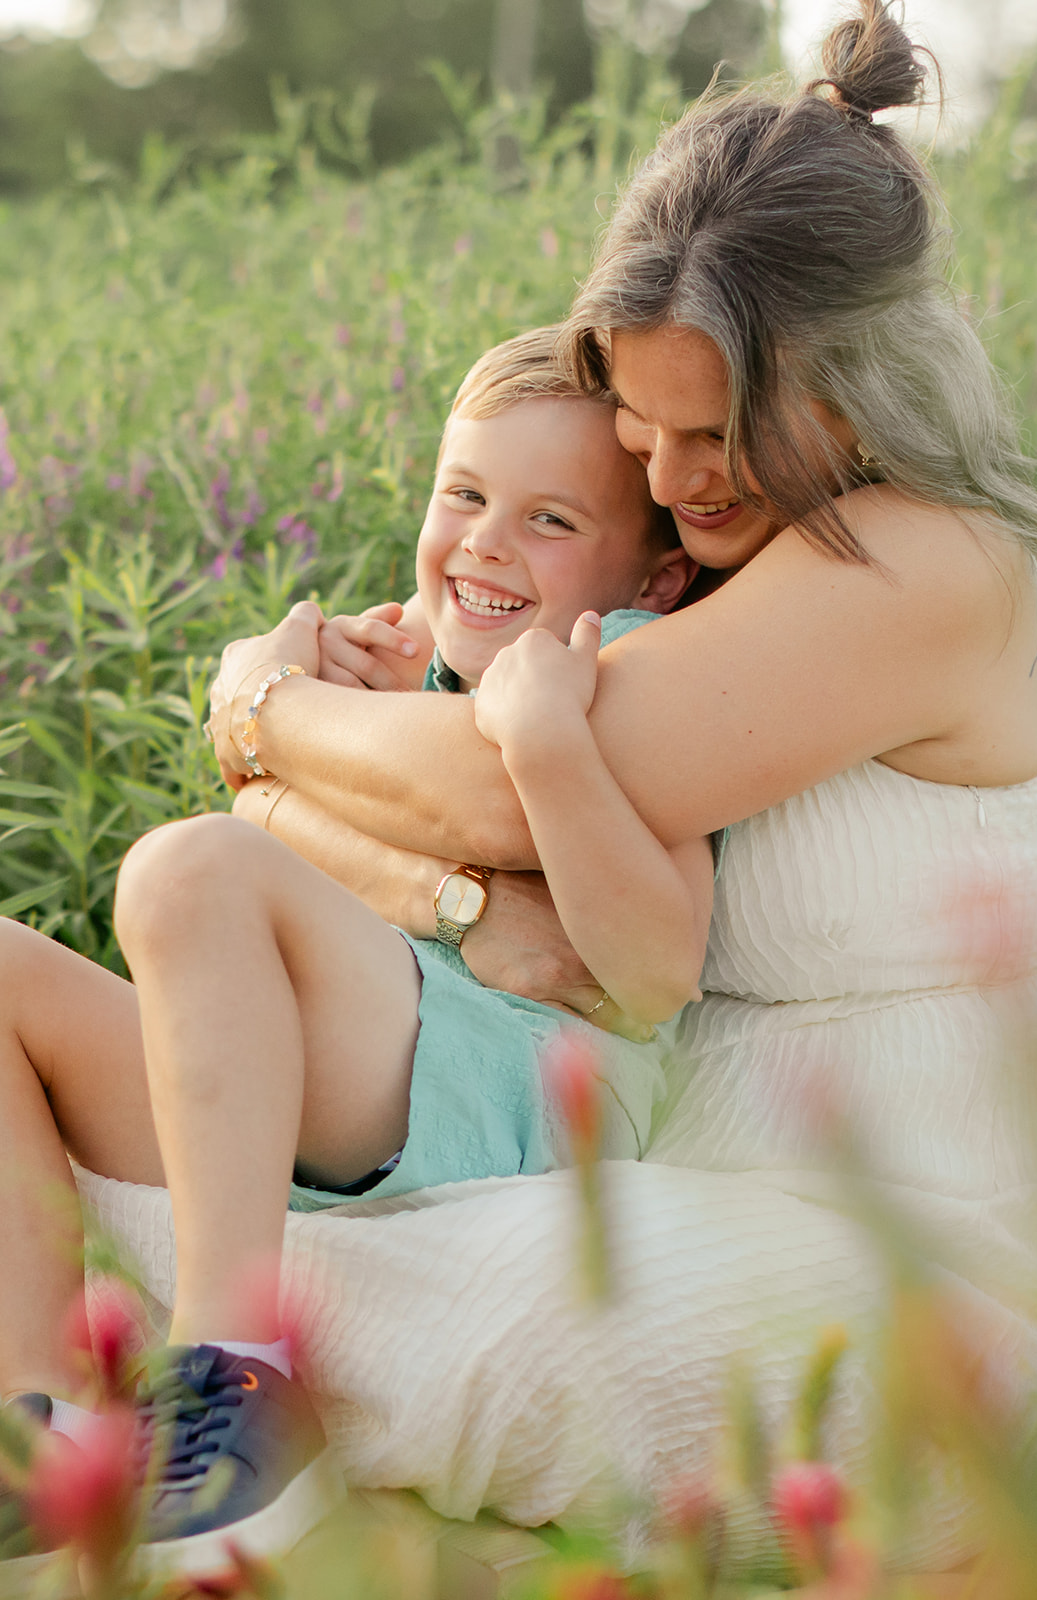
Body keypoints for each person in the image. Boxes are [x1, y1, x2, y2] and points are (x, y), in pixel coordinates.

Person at [25, 0, 1037, 1577]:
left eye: (720, 429)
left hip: (906, 1250)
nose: (674, 480)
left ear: (866, 376)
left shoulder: (917, 558)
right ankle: (130, 1408)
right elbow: (468, 799)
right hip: (663, 1161)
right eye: (647, 426)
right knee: (152, 1165)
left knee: (306, 1275)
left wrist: (253, 703)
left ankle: (217, 1406)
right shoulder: (711, 568)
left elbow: (488, 788)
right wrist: (319, 821)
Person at [0, 331, 709, 1577]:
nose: (485, 543)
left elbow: (658, 962)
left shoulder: (629, 674)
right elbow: (259, 947)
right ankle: (38, 1415)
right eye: (465, 493)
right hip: (367, 1075)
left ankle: (238, 1381)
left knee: (187, 867)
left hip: (512, 1090)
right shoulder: (411, 675)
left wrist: (532, 741)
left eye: (550, 519)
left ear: (649, 580)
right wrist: (364, 726)